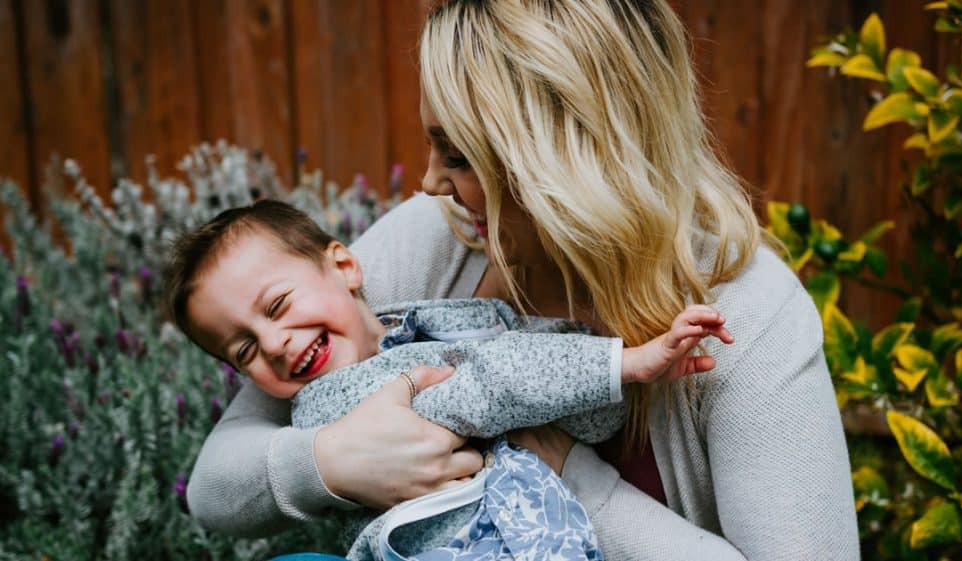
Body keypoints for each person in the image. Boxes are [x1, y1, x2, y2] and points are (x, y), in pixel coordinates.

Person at [187, 1, 860, 559]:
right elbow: (216, 483)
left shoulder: (748, 314)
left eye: (458, 156)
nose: (428, 183)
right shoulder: (438, 236)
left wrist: (571, 475)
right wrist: (333, 461)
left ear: (568, 158)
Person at [168, 200, 740, 560]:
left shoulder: (421, 326)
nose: (273, 344)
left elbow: (574, 407)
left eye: (277, 307)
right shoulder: (335, 400)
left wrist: (600, 392)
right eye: (244, 350)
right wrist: (625, 365)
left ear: (345, 266)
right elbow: (487, 383)